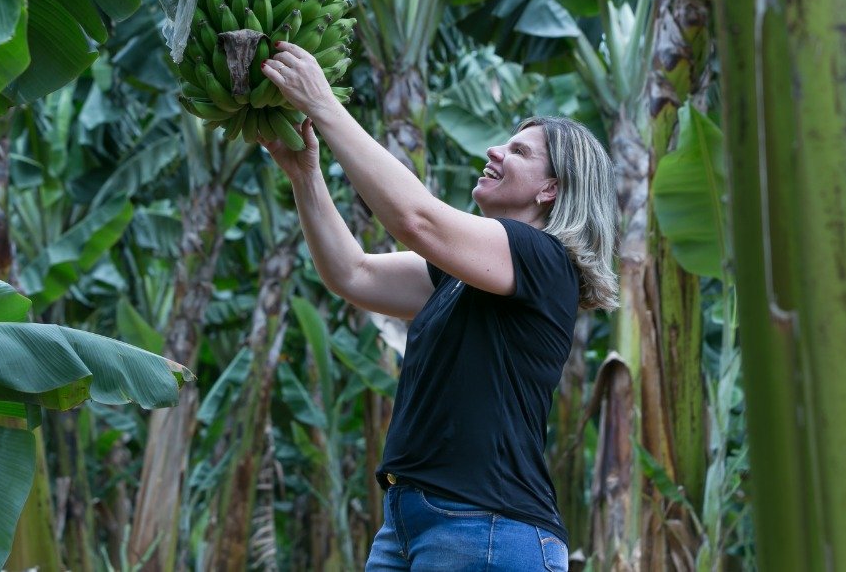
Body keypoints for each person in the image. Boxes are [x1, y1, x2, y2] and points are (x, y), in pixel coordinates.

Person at [258, 41, 619, 572]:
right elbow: (352, 274)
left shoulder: (544, 259)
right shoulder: (461, 275)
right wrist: (304, 174)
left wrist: (323, 105)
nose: (495, 151)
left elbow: (415, 218)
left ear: (551, 189)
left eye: (519, 152)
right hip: (409, 521)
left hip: (487, 527)